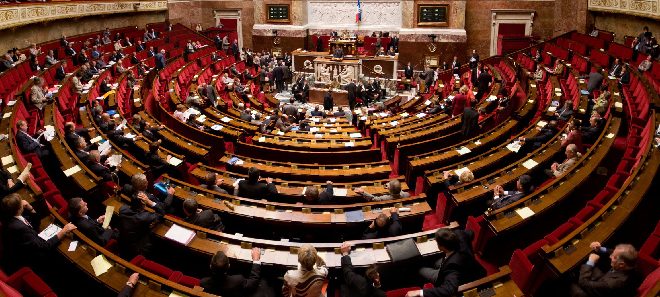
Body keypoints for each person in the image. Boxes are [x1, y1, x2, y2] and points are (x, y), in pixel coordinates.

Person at [1, 193, 77, 273]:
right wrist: (63, 231)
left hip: (29, 247)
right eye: (21, 201)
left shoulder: (12, 217)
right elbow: (43, 247)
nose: (23, 201)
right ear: (19, 208)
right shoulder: (19, 227)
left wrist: (30, 209)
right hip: (31, 261)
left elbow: (35, 224)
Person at [407, 229, 486, 297]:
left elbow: (449, 290)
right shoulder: (460, 234)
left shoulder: (453, 267)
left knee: (420, 269)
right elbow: (471, 233)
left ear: (442, 247)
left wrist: (420, 292)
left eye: (437, 243)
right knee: (434, 262)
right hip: (467, 264)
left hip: (452, 274)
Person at [117, 174, 174, 258]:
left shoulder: (123, 207)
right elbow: (162, 210)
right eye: (146, 181)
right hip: (138, 247)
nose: (148, 182)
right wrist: (170, 194)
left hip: (123, 240)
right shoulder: (145, 212)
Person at [570, 242, 641, 297]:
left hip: (599, 293)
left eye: (613, 257)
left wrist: (590, 262)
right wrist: (600, 248)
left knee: (571, 285)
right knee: (590, 269)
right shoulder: (631, 262)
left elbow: (583, 282)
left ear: (621, 264)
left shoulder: (613, 283)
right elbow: (616, 253)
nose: (610, 256)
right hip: (607, 282)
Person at [201, 248, 272, 297]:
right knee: (264, 282)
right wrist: (256, 260)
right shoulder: (238, 280)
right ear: (229, 266)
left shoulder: (203, 283)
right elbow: (253, 282)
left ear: (210, 266)